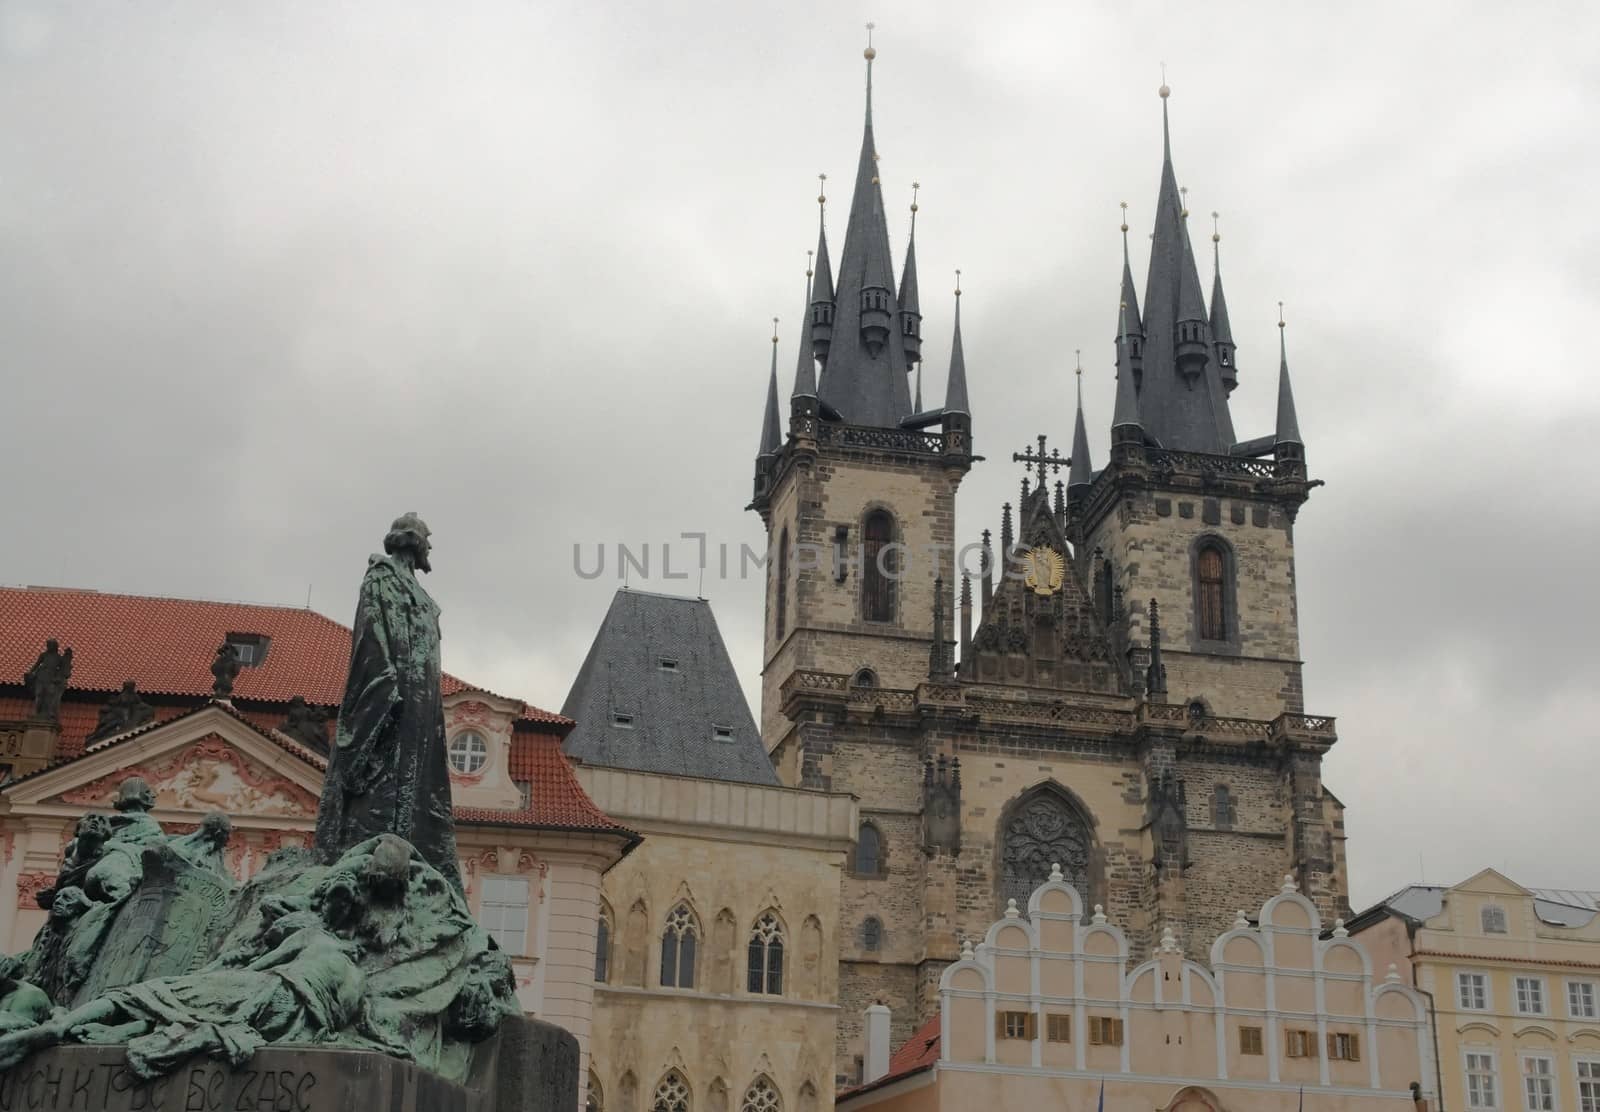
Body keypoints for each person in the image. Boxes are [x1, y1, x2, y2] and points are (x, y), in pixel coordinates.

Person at [313, 515, 462, 891]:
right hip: (393, 697)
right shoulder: (380, 579)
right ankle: (376, 864)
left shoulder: (421, 595)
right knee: (384, 781)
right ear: (413, 542)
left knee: (421, 786)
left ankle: (416, 862)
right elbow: (369, 637)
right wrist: (385, 688)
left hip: (424, 703)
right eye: (428, 540)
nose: (431, 549)